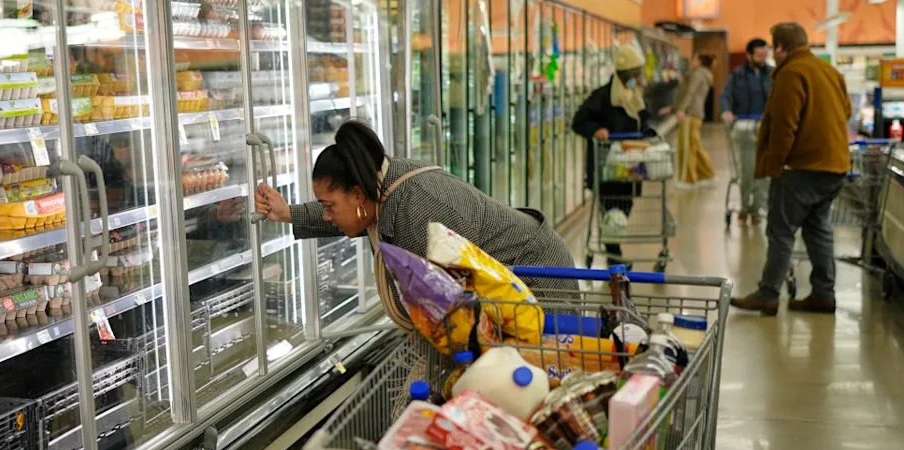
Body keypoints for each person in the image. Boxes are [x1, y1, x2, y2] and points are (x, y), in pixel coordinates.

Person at [253, 121, 578, 318]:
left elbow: (451, 311)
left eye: (328, 205)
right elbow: (348, 216)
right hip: (508, 286)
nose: (326, 215)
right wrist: (290, 213)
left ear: (356, 193)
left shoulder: (417, 212)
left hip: (538, 279)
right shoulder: (377, 190)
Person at [731, 22, 851, 315]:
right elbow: (846, 111)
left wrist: (774, 166)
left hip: (802, 167)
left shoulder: (790, 74)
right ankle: (823, 293)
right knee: (817, 229)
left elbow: (785, 126)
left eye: (774, 47)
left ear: (781, 48)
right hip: (835, 165)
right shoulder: (829, 71)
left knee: (781, 230)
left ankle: (768, 294)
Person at [571, 44, 656, 265]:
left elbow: (645, 119)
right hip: (606, 167)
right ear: (626, 74)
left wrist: (649, 133)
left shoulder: (635, 97)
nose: (639, 79)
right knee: (610, 209)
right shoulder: (601, 97)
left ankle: (614, 250)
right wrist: (596, 131)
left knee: (624, 207)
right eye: (636, 74)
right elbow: (578, 122)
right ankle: (614, 257)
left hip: (630, 168)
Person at [721, 38, 774, 223]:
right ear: (749, 55)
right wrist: (726, 111)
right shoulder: (738, 75)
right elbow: (726, 95)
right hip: (743, 128)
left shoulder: (772, 75)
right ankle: (744, 205)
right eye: (759, 55)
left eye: (765, 54)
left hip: (766, 129)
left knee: (764, 173)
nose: (762, 58)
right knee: (747, 171)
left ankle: (757, 208)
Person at [675, 53, 716, 187]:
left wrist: (681, 109)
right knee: (695, 145)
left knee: (687, 147)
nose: (691, 61)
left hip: (690, 113)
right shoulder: (705, 74)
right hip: (697, 113)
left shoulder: (697, 74)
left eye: (693, 58)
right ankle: (707, 174)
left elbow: (690, 93)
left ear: (700, 61)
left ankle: (688, 179)